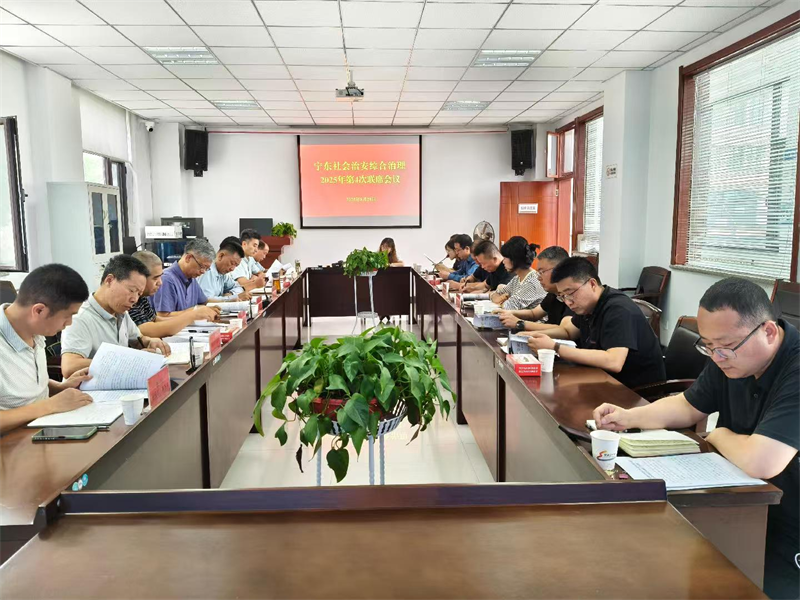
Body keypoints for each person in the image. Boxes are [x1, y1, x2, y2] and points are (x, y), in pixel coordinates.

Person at [592, 278, 797, 600]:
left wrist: (720, 434)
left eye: (725, 347)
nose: (717, 357)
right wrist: (628, 417)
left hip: (791, 522)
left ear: (769, 332)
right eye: (708, 346)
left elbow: (762, 461)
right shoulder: (729, 356)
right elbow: (688, 406)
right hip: (746, 502)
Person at [526, 257, 665, 389]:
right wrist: (530, 334)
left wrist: (555, 347)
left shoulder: (618, 309)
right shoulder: (588, 305)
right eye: (563, 296)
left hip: (636, 391)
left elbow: (613, 361)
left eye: (570, 293)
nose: (568, 302)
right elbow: (568, 331)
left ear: (592, 284)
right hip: (603, 378)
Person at [0, 265, 96, 434]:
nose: (69, 323)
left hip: (44, 429)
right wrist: (51, 405)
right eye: (67, 316)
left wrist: (61, 387)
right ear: (39, 310)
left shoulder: (35, 330)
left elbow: (23, 384)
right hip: (13, 443)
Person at [61, 255, 171, 378]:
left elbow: (137, 339)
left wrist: (150, 341)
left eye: (139, 294)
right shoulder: (80, 318)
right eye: (131, 290)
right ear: (109, 280)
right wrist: (126, 360)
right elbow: (69, 366)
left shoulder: (120, 311)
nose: (134, 299)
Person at [129, 250, 220, 338]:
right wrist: (192, 315)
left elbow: (155, 319)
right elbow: (146, 329)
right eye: (155, 278)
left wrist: (195, 316)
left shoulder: (142, 298)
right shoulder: (130, 299)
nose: (160, 282)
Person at [498, 246, 573, 334]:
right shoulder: (553, 293)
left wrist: (520, 323)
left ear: (558, 270)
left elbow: (564, 330)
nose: (538, 277)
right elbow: (534, 314)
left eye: (542, 272)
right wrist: (507, 313)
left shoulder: (572, 295)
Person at [151, 238, 216, 317]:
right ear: (188, 258)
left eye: (207, 269)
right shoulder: (167, 279)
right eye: (202, 266)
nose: (203, 271)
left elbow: (203, 302)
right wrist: (195, 312)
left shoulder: (192, 279)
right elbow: (163, 316)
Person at [490, 237, 547, 311]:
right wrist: (498, 298)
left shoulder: (533, 282)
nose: (503, 262)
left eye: (505, 258)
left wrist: (500, 300)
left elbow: (509, 307)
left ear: (514, 259)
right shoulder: (517, 279)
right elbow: (496, 293)